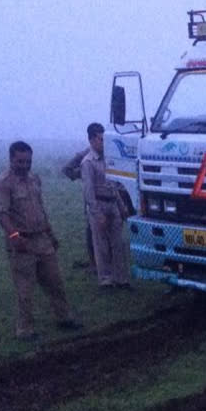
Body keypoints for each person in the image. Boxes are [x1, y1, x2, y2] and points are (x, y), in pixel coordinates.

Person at [0, 141, 83, 340]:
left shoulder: (34, 179)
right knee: (25, 289)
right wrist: (14, 237)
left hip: (42, 239)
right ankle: (25, 329)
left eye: (28, 161)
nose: (25, 165)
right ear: (11, 160)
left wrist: (51, 235)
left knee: (55, 282)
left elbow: (40, 209)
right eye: (20, 161)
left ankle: (64, 318)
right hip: (22, 243)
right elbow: (1, 213)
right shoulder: (3, 183)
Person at [81, 123, 131, 289]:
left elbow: (113, 184)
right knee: (101, 245)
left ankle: (121, 279)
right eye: (100, 139)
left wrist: (121, 206)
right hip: (99, 204)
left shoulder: (109, 160)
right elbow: (88, 192)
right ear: (91, 140)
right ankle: (106, 280)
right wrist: (97, 214)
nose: (103, 142)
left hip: (112, 203)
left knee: (118, 244)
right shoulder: (88, 163)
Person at [62, 147, 96, 273]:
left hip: (112, 195)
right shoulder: (89, 153)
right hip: (93, 197)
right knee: (92, 230)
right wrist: (85, 174)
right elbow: (67, 169)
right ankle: (95, 263)